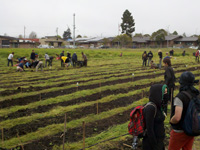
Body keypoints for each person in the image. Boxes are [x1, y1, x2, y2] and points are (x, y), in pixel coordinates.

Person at [168, 71, 199, 150]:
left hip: (179, 131)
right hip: (191, 128)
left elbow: (177, 117)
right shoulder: (196, 94)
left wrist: (171, 120)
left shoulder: (180, 97)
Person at [142, 84, 169, 150]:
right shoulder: (151, 108)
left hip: (159, 141)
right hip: (151, 144)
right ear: (157, 93)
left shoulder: (159, 106)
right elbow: (149, 130)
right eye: (164, 93)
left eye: (166, 92)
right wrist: (155, 146)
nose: (166, 94)